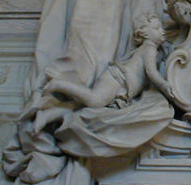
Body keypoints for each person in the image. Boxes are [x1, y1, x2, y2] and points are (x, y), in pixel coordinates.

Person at [27, 14, 175, 135]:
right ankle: (58, 84)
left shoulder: (150, 49)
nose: (162, 31)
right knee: (95, 101)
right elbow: (151, 71)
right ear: (143, 33)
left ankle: (47, 116)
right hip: (118, 80)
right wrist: (164, 85)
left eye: (161, 28)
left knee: (82, 106)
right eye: (156, 28)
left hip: (120, 83)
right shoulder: (150, 48)